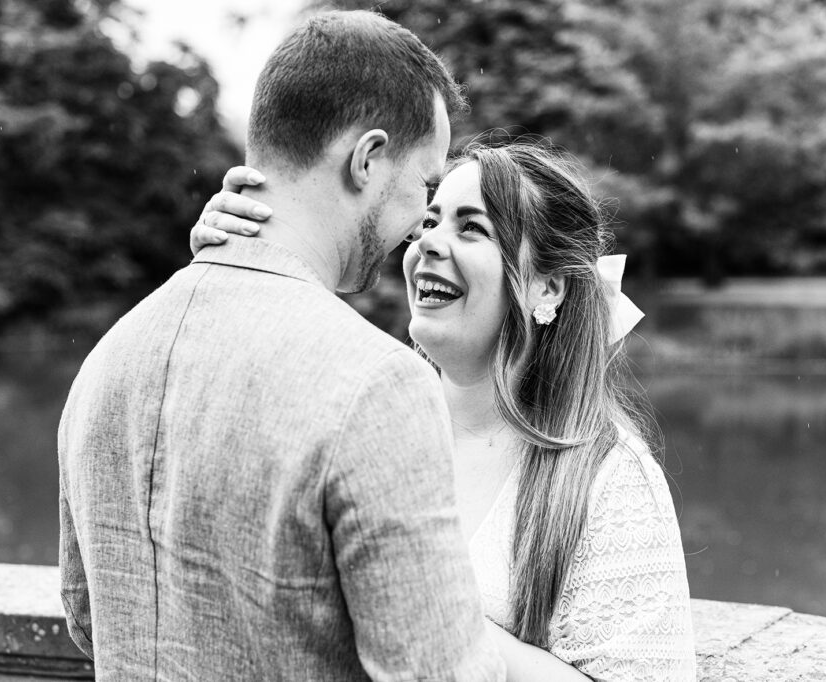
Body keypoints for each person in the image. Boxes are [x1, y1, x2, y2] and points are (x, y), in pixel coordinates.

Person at [58, 11, 505, 681]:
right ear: (367, 159)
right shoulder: (377, 383)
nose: (420, 226)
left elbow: (86, 616)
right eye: (426, 186)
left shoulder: (108, 359)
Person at [193, 140, 698, 680]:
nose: (428, 242)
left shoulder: (607, 476)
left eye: (471, 227)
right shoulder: (359, 424)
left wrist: (434, 612)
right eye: (429, 222)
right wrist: (231, 275)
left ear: (547, 287)